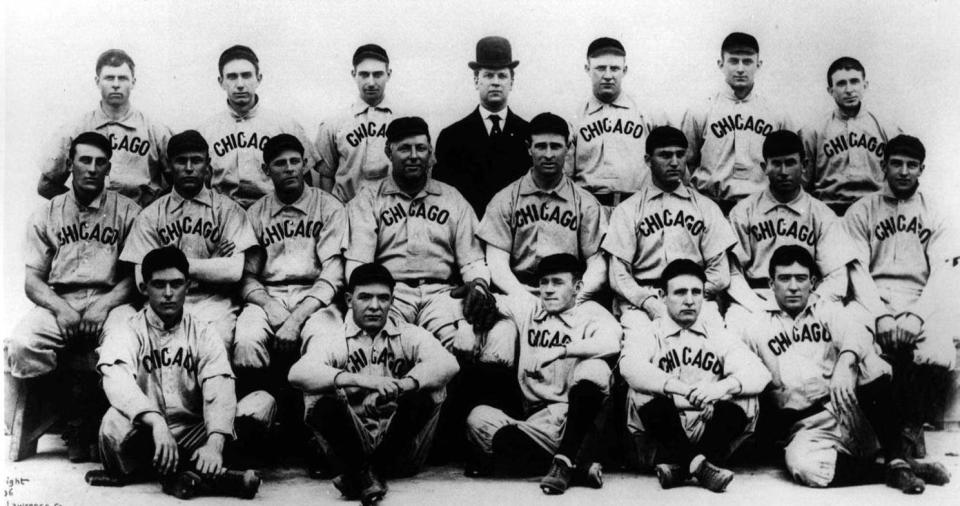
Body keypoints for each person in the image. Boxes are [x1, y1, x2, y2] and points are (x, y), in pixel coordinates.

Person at [728, 245, 950, 493]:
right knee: (807, 468)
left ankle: (896, 458)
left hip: (849, 409)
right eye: (784, 278)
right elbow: (737, 357)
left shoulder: (826, 308)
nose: (793, 286)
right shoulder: (755, 323)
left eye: (800, 278)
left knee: (868, 359)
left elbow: (855, 332)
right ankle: (896, 469)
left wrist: (845, 361)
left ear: (812, 282)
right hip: (808, 425)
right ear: (771, 283)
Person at [84, 247, 271, 499]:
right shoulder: (127, 330)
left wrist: (214, 443)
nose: (169, 294)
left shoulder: (204, 331)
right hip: (148, 433)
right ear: (143, 288)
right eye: (159, 285)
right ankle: (218, 479)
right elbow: (116, 382)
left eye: (176, 284)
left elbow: (219, 386)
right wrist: (156, 422)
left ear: (190, 285)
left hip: (196, 431)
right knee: (113, 423)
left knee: (262, 403)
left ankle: (179, 474)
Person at [7, 132, 140, 461]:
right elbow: (33, 280)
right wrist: (61, 309)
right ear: (70, 165)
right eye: (84, 160)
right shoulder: (47, 214)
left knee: (125, 344)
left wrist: (104, 305)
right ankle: (69, 415)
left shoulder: (129, 212)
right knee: (22, 344)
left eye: (99, 162)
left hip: (112, 300)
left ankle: (96, 418)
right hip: (60, 299)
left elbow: (135, 278)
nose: (92, 169)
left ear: (109, 167)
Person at [288, 263, 459, 506]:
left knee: (432, 386)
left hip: (401, 450)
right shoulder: (335, 338)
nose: (375, 306)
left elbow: (448, 363)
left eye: (383, 298)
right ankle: (366, 471)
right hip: (353, 443)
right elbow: (298, 373)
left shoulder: (408, 333)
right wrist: (363, 381)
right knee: (317, 393)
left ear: (392, 301)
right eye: (365, 297)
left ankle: (365, 473)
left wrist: (403, 385)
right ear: (349, 300)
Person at [465, 254, 621, 495]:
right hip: (537, 423)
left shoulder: (590, 312)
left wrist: (561, 351)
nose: (548, 290)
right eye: (544, 283)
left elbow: (612, 342)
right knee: (478, 419)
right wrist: (476, 296)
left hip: (577, 417)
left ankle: (566, 458)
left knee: (595, 369)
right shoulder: (530, 306)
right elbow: (488, 302)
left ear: (577, 287)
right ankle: (576, 468)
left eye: (557, 283)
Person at [841, 134, 956, 457]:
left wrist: (916, 315)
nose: (904, 171)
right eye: (896, 164)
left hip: (921, 297)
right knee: (855, 346)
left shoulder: (938, 211)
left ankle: (911, 426)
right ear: (883, 166)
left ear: (922, 169)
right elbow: (856, 270)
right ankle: (870, 433)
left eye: (911, 165)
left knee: (940, 351)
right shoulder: (862, 210)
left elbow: (944, 272)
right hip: (872, 296)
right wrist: (880, 315)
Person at [619, 259, 770, 492]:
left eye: (696, 292)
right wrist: (684, 391)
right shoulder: (649, 332)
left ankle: (684, 465)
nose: (689, 300)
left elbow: (759, 372)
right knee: (640, 393)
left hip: (707, 427)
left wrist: (719, 390)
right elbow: (629, 366)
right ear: (662, 295)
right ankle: (701, 465)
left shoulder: (717, 333)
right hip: (663, 434)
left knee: (746, 394)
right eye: (680, 292)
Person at [234, 133, 348, 401]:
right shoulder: (255, 213)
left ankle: (316, 423)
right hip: (268, 296)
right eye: (280, 163)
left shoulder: (329, 207)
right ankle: (260, 413)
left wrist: (296, 319)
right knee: (246, 341)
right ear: (266, 170)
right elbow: (247, 276)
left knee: (328, 344)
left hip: (316, 296)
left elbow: (333, 273)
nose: (289, 169)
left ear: (305, 164)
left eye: (295, 161)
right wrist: (269, 306)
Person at [121, 130, 257, 350]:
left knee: (217, 343)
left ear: (207, 165)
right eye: (181, 161)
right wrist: (211, 264)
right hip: (162, 305)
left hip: (214, 303)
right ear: (169, 165)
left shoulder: (229, 210)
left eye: (196, 160)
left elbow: (232, 270)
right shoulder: (151, 214)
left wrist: (165, 265)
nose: (189, 168)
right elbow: (140, 278)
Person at [602, 126, 737, 333]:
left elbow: (720, 272)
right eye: (665, 155)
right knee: (639, 350)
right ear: (648, 160)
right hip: (644, 301)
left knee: (716, 343)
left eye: (680, 155)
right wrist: (647, 302)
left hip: (694, 298)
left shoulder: (706, 207)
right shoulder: (628, 210)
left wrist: (690, 294)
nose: (674, 162)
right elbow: (618, 275)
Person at [478, 112, 606, 299]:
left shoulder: (586, 203)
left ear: (568, 148)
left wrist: (575, 297)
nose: (548, 155)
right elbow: (497, 264)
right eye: (540, 146)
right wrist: (524, 299)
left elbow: (598, 263)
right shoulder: (505, 199)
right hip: (517, 295)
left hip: (569, 297)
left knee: (608, 329)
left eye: (555, 147)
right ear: (529, 148)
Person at [727, 130, 851, 312]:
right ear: (764, 167)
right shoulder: (743, 212)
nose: (784, 172)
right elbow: (732, 272)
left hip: (808, 300)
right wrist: (756, 306)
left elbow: (837, 275)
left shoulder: (822, 214)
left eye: (790, 163)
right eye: (776, 164)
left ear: (804, 165)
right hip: (758, 298)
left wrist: (811, 303)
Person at [38, 49, 171, 207]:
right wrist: (80, 206)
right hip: (92, 226)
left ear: (133, 82)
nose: (115, 84)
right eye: (109, 78)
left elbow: (181, 182)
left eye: (122, 78)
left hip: (140, 222)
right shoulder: (77, 129)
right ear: (97, 81)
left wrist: (153, 212)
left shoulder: (154, 130)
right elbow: (46, 185)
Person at [681, 32, 794, 215]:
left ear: (758, 64)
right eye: (733, 61)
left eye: (747, 61)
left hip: (762, 209)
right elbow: (685, 162)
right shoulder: (701, 109)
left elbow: (790, 166)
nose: (740, 68)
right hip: (712, 207)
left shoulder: (776, 113)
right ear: (721, 64)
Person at [199, 45, 317, 208]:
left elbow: (305, 180)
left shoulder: (286, 125)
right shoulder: (207, 131)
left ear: (258, 79)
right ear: (221, 82)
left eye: (246, 76)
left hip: (275, 214)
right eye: (232, 77)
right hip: (223, 214)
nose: (240, 84)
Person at [434, 36, 532, 216]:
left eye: (502, 75)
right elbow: (443, 198)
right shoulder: (452, 137)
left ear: (512, 81)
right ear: (476, 79)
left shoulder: (529, 134)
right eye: (488, 75)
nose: (495, 82)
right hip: (469, 235)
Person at [567, 37, 667, 210]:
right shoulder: (575, 116)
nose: (607, 76)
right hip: (588, 209)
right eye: (600, 68)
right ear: (587, 69)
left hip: (637, 207)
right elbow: (565, 175)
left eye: (614, 68)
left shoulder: (647, 113)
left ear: (624, 70)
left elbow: (667, 164)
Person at [802, 57, 902, 216]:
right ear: (830, 90)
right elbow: (803, 184)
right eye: (841, 83)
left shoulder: (886, 127)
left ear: (865, 85)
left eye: (854, 81)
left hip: (876, 211)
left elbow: (900, 177)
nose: (849, 89)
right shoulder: (813, 131)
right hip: (830, 212)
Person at [316, 44, 397, 202]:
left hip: (392, 213)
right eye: (364, 75)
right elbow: (326, 176)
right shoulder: (334, 122)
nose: (371, 82)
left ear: (389, 74)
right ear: (354, 74)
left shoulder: (402, 119)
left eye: (378, 74)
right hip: (347, 212)